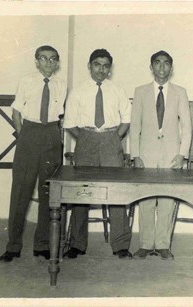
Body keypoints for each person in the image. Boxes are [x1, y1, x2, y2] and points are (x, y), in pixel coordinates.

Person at [63, 49, 132, 259]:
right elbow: (70, 123)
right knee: (81, 193)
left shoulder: (118, 90)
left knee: (116, 193)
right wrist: (86, 137)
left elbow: (126, 120)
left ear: (110, 69)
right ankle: (77, 244)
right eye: (97, 64)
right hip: (86, 141)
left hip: (111, 140)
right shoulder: (78, 91)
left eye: (105, 65)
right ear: (89, 66)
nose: (101, 69)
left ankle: (120, 244)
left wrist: (112, 138)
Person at [0, 45, 67, 262]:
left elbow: (61, 114)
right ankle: (13, 245)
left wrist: (57, 136)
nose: (48, 63)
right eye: (44, 59)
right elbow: (17, 110)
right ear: (36, 61)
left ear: (57, 63)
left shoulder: (61, 84)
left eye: (52, 59)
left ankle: (43, 244)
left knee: (49, 190)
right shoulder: (26, 81)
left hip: (52, 134)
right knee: (21, 191)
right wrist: (22, 134)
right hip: (30, 133)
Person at [130, 50, 192, 260]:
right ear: (151, 67)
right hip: (146, 155)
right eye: (157, 63)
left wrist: (182, 154)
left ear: (171, 68)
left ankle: (164, 245)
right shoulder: (140, 92)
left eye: (166, 64)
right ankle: (146, 244)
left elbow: (187, 126)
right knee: (145, 199)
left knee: (167, 199)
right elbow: (135, 125)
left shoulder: (180, 92)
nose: (162, 67)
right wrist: (135, 155)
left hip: (170, 156)